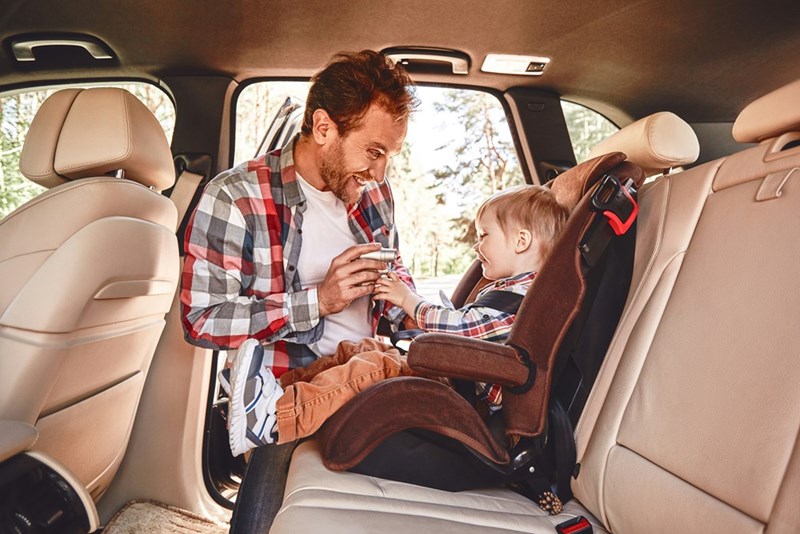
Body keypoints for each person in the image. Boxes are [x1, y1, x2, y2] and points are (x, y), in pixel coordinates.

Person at [180, 50, 418, 531]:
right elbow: (201, 319)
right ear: (324, 127)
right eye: (374, 152)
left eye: (390, 157)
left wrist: (416, 311)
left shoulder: (375, 195)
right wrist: (319, 301)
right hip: (292, 394)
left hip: (369, 377)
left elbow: (394, 275)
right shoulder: (236, 196)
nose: (380, 175)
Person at [227, 184, 570, 450]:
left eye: (484, 235)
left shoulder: (521, 299)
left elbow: (462, 329)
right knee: (358, 349)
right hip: (459, 376)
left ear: (522, 241)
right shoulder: (510, 290)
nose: (476, 246)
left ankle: (277, 419)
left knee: (378, 366)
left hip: (469, 399)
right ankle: (271, 393)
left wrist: (409, 301)